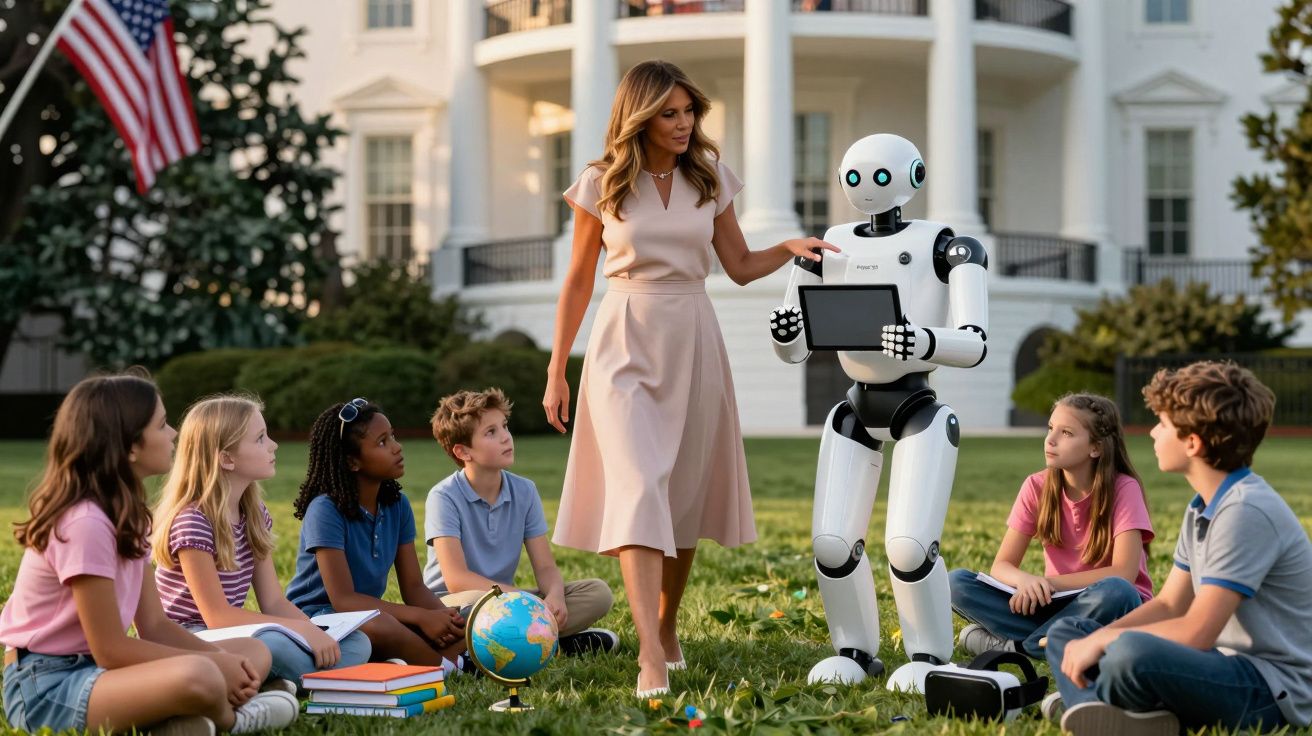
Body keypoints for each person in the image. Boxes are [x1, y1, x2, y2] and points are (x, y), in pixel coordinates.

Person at [542, 59, 839, 697]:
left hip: (695, 335)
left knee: (680, 494)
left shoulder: (709, 177)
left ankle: (667, 624)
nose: (683, 124)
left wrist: (788, 248)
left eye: (688, 113)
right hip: (623, 339)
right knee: (639, 485)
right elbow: (578, 279)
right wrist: (556, 369)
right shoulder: (600, 182)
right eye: (669, 114)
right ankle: (650, 654)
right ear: (640, 118)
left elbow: (739, 265)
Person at [0, 373, 298, 735]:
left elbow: (154, 626)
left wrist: (224, 660)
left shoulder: (131, 517)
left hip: (101, 672)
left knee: (253, 652)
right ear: (130, 447)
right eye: (161, 424)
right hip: (47, 685)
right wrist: (213, 665)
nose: (173, 433)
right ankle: (235, 719)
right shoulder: (86, 523)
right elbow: (110, 648)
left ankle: (176, 722)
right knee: (201, 673)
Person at [1046, 361, 1312, 735]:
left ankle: (1092, 701)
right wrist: (1092, 640)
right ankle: (1106, 709)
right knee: (1069, 633)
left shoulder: (1245, 511)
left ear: (1192, 442)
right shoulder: (1202, 507)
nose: (1153, 432)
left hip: (1269, 690)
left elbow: (1198, 631)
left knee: (1128, 653)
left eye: (1163, 424)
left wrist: (1106, 639)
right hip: (1219, 664)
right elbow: (1170, 604)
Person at [152, 395, 371, 693]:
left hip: (230, 635)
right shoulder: (193, 522)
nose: (273, 445)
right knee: (273, 645)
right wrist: (301, 630)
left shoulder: (253, 514)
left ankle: (280, 680)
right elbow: (217, 617)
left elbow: (274, 602)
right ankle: (320, 677)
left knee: (357, 641)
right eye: (260, 439)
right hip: (190, 638)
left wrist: (316, 632)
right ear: (226, 458)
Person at [948, 394, 1152, 659]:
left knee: (1117, 591)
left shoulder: (1124, 488)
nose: (1050, 440)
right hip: (1054, 603)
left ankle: (1019, 647)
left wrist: (1048, 583)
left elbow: (1124, 573)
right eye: (1050, 428)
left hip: (1111, 606)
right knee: (955, 583)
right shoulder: (1036, 486)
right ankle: (1054, 639)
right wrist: (1026, 582)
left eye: (1066, 433)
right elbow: (1002, 566)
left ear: (1096, 448)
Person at [424, 388, 617, 655]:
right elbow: (457, 579)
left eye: (504, 426)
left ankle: (524, 640)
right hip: (454, 605)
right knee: (479, 603)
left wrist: (555, 596)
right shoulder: (443, 496)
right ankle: (547, 640)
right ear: (463, 451)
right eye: (491, 432)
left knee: (598, 593)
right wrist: (523, 600)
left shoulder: (525, 491)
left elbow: (546, 567)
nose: (506, 437)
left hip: (507, 600)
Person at [285, 399, 467, 671]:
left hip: (368, 615)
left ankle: (407, 660)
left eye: (392, 436)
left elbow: (414, 588)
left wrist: (446, 619)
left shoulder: (397, 505)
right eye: (382, 442)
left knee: (467, 622)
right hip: (316, 620)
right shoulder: (325, 510)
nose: (397, 447)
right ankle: (451, 669)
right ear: (352, 462)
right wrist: (420, 617)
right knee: (382, 627)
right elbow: (344, 600)